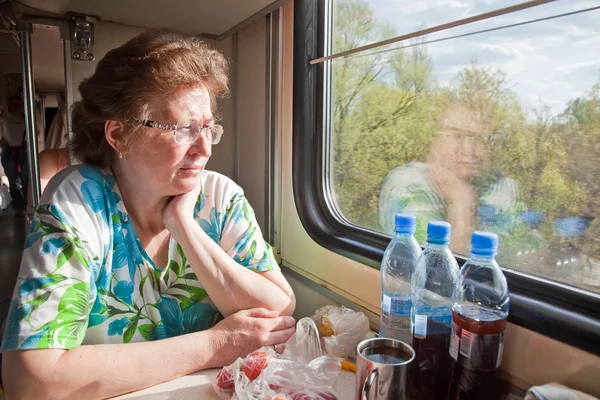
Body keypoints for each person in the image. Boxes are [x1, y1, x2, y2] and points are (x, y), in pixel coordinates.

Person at [0, 30, 296, 400]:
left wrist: (185, 227)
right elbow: (30, 381)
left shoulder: (219, 196)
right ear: (119, 134)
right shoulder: (80, 200)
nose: (204, 148)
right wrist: (215, 344)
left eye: (208, 128)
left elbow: (278, 311)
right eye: (185, 129)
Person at [379, 102, 529, 254]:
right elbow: (431, 270)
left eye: (480, 139)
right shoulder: (408, 183)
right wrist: (460, 204)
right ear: (435, 141)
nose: (469, 150)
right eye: (457, 136)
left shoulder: (502, 186)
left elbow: (535, 258)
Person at [0, 96, 27, 214]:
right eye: (14, 105)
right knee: (13, 182)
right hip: (9, 151)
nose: (16, 107)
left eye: (19, 105)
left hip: (23, 151)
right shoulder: (3, 118)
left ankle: (27, 204)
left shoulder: (25, 117)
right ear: (10, 105)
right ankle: (18, 207)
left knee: (26, 180)